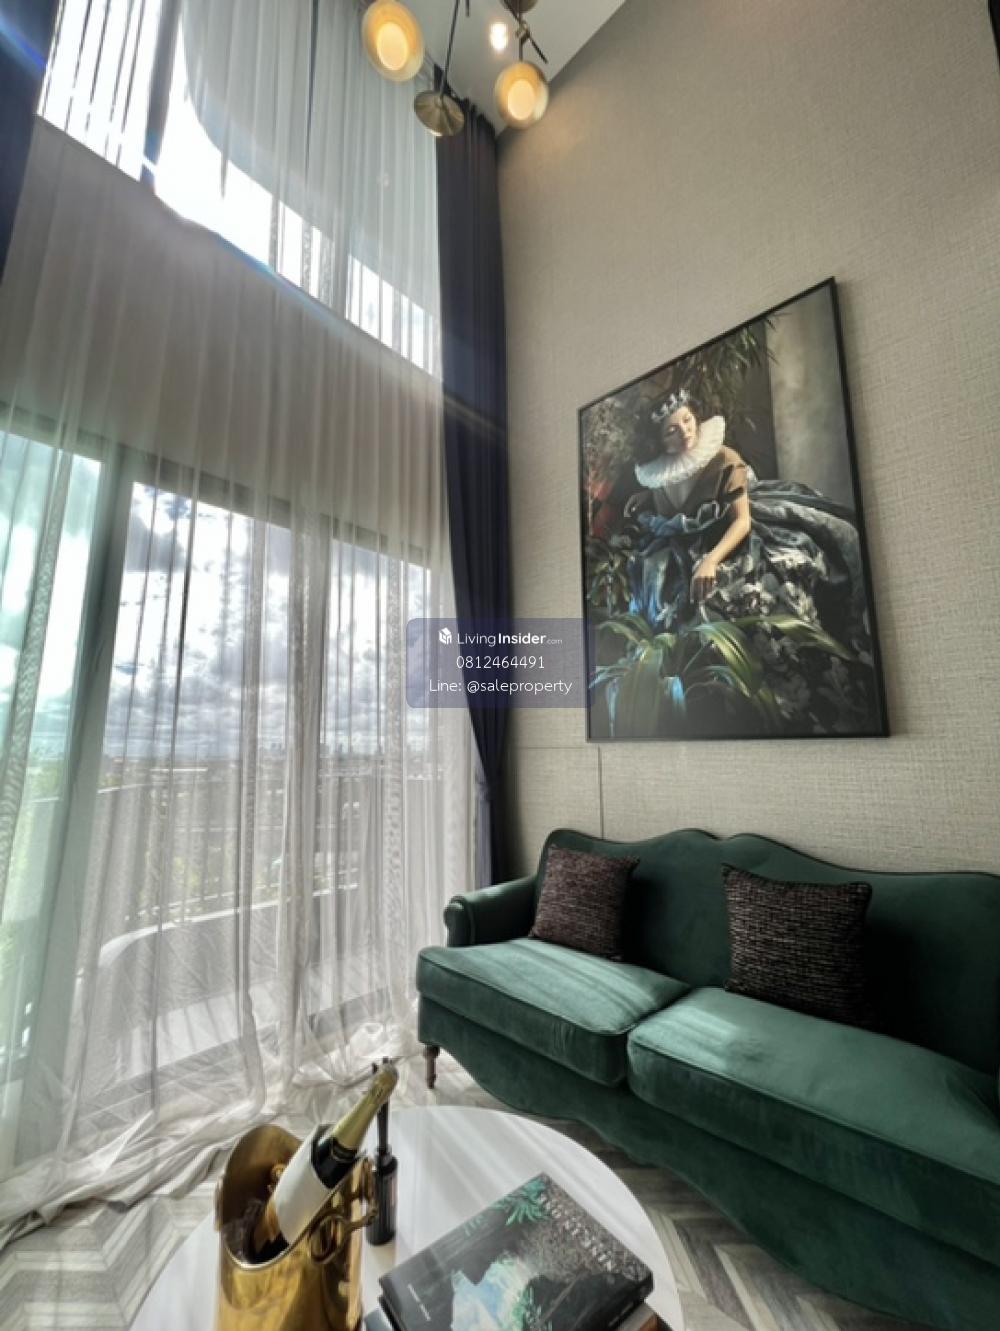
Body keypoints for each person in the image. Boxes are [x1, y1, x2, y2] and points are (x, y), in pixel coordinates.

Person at [622, 388, 877, 731]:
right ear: (657, 442)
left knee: (754, 594)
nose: (684, 432)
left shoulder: (723, 458)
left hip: (732, 538)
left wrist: (711, 561)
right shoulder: (661, 472)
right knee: (660, 599)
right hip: (686, 546)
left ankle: (782, 699)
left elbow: (741, 522)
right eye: (671, 430)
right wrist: (646, 496)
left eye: (687, 420)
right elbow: (673, 497)